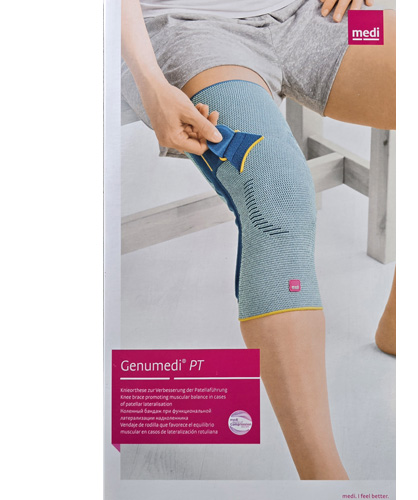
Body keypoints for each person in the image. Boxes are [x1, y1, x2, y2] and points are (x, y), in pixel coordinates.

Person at [121, 0, 396, 480]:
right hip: (187, 28)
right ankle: (325, 482)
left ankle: (400, 320)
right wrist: (150, 82)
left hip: (313, 13)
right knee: (276, 192)